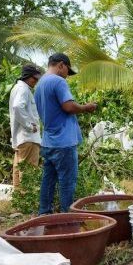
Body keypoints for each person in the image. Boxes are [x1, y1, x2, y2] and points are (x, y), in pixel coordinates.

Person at [35, 53, 97, 215]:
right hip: (63, 142)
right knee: (67, 182)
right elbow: (68, 107)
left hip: (48, 141)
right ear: (61, 65)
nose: (67, 76)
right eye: (67, 71)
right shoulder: (58, 81)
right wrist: (86, 107)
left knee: (48, 180)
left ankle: (44, 214)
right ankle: (67, 217)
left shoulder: (39, 84)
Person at [9, 64, 44, 186]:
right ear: (27, 77)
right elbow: (17, 107)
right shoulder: (24, 89)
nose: (36, 81)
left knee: (19, 171)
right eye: (35, 78)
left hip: (21, 138)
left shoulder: (17, 88)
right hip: (28, 137)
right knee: (29, 172)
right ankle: (27, 204)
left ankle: (19, 203)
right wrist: (30, 125)